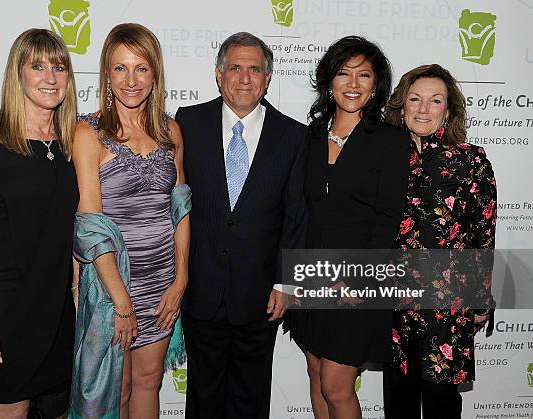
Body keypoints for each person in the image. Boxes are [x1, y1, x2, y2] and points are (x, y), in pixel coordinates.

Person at [175, 32, 307, 418]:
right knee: (203, 398)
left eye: (255, 69)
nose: (245, 77)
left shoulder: (294, 136)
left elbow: (296, 215)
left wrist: (285, 282)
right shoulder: (188, 123)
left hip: (260, 295)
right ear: (219, 74)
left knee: (250, 400)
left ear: (268, 78)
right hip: (201, 289)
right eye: (235, 67)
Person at [284, 36, 411, 419]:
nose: (353, 84)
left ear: (376, 85)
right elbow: (299, 209)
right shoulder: (309, 135)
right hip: (310, 273)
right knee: (315, 371)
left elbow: (388, 218)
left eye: (364, 75)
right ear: (329, 80)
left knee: (336, 385)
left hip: (357, 277)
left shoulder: (390, 140)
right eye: (344, 73)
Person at [70, 23, 190, 419]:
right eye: (120, 68)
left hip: (162, 282)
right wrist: (121, 301)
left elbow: (180, 211)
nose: (131, 80)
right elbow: (90, 225)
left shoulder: (170, 131)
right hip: (113, 285)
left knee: (149, 381)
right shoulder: (88, 132)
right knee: (116, 392)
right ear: (107, 73)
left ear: (155, 73)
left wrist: (181, 279)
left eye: (141, 68)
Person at [0, 29, 78, 418]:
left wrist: (76, 294)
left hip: (57, 307)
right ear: (18, 74)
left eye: (59, 67)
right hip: (5, 311)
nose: (50, 77)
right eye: (38, 66)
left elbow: (76, 227)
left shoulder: (73, 143)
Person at [383, 64, 497, 419]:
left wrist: (482, 297)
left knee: (441, 401)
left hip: (448, 305)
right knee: (398, 397)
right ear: (401, 106)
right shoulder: (383, 159)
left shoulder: (471, 160)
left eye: (435, 101)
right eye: (414, 99)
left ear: (448, 110)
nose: (422, 108)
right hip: (393, 301)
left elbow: (484, 233)